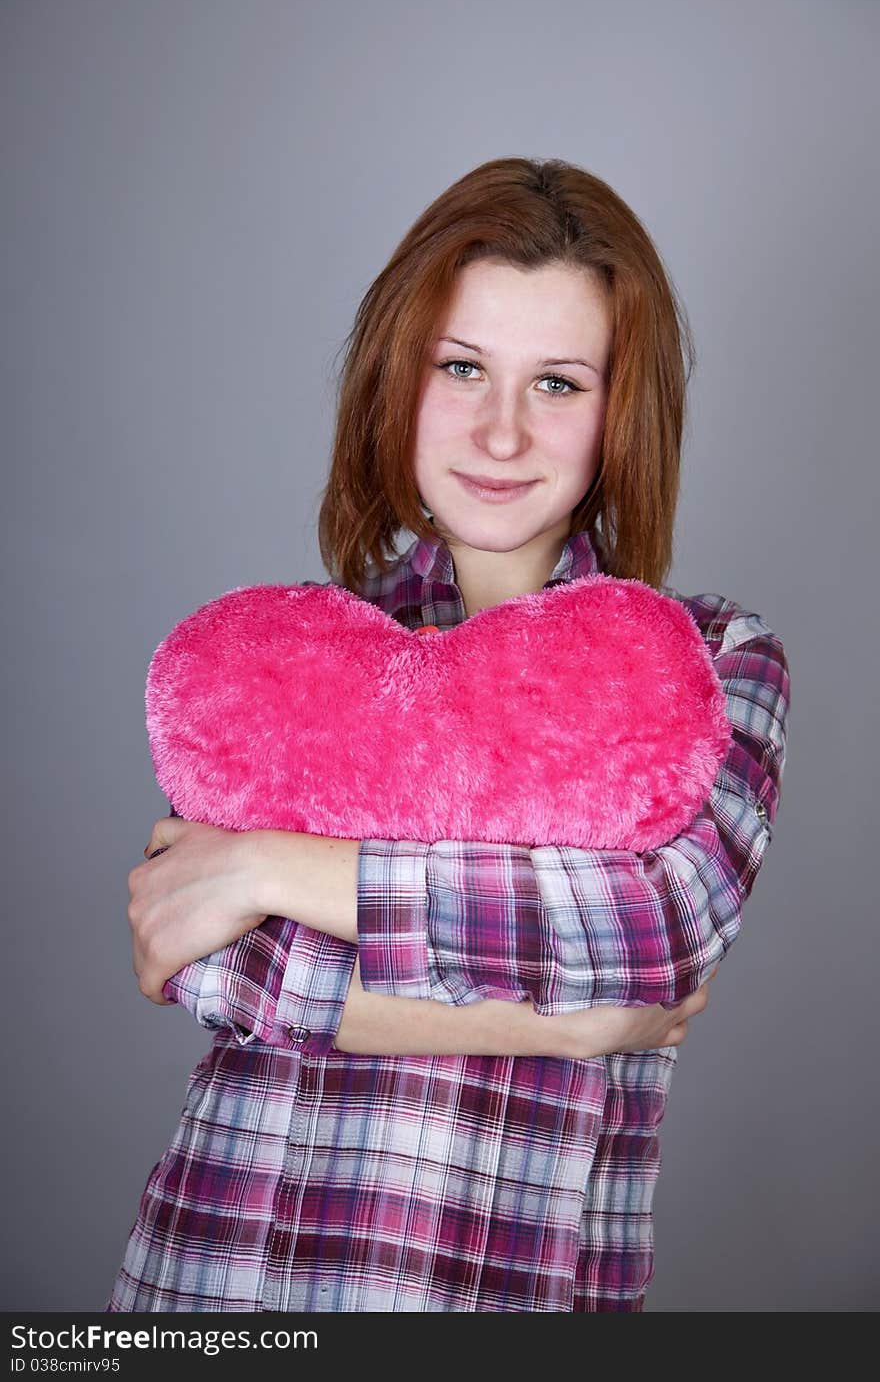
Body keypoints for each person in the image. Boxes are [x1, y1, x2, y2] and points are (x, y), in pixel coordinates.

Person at [108, 156, 790, 1313]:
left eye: (559, 384)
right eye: (461, 367)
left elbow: (655, 928)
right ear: (398, 376)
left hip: (501, 1291)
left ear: (623, 412)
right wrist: (567, 1026)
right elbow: (204, 956)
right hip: (220, 1271)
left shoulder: (708, 660)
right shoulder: (291, 660)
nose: (501, 431)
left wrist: (275, 866)